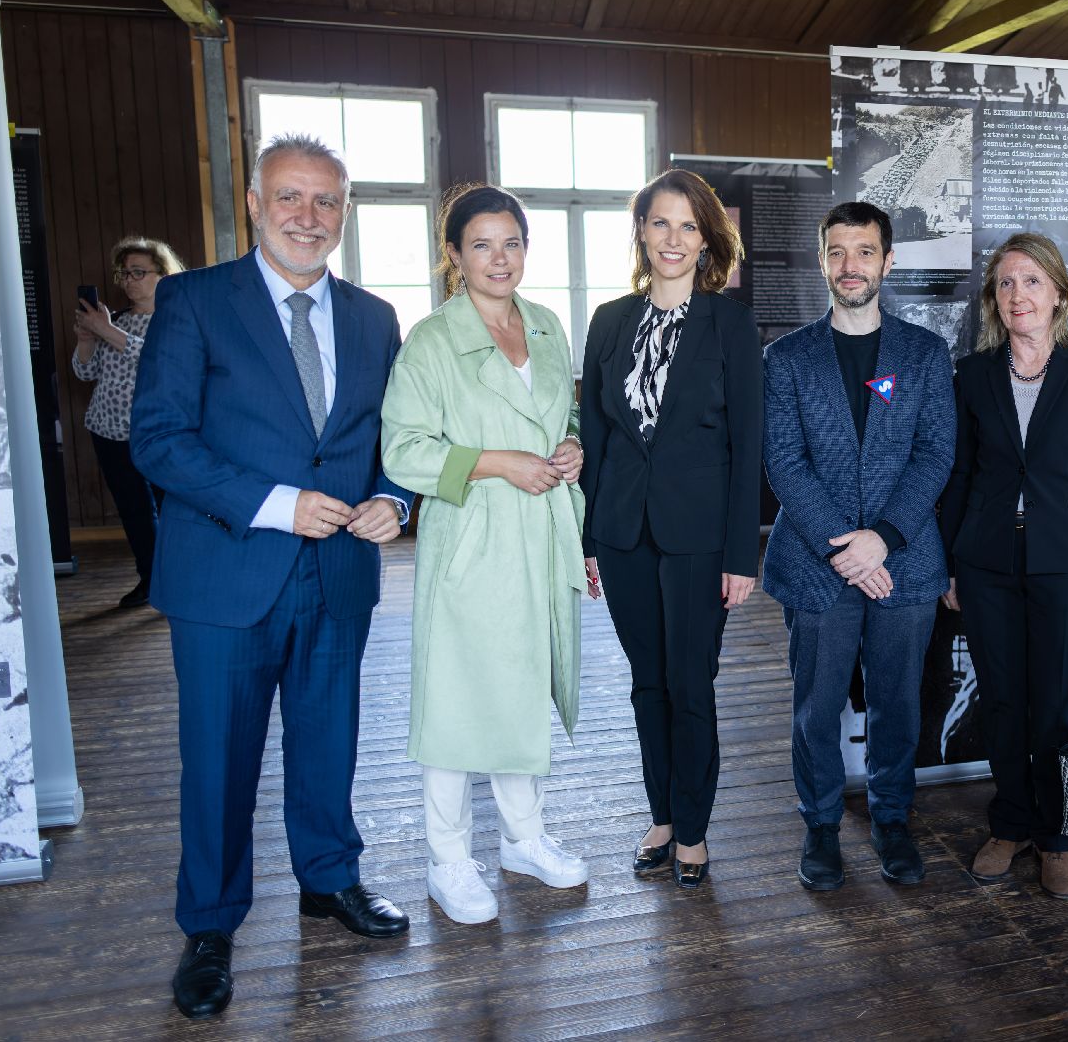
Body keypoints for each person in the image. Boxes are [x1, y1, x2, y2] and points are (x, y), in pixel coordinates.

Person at [131, 134, 413, 1020]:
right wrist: (272, 502)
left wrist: (394, 501)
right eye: (290, 197)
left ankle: (330, 879)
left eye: (326, 201)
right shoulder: (193, 301)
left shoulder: (373, 317)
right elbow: (160, 440)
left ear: (345, 213)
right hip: (227, 570)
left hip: (338, 570)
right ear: (254, 202)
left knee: (329, 739)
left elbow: (394, 439)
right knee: (218, 758)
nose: (308, 216)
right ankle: (210, 926)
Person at [380, 184, 590, 925]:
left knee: (523, 690)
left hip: (539, 535)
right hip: (471, 540)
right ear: (453, 255)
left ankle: (523, 840)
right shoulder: (432, 341)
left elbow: (564, 413)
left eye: (512, 243)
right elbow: (403, 450)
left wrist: (571, 447)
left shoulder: (545, 325)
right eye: (482, 245)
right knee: (458, 698)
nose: (500, 259)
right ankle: (447, 859)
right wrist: (499, 462)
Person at [762, 201, 955, 891]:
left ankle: (892, 817)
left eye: (864, 252)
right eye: (837, 252)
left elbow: (936, 453)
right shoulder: (785, 359)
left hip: (905, 560)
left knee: (899, 700)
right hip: (816, 567)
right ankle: (818, 825)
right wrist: (846, 549)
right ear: (822, 262)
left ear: (887, 261)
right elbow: (783, 461)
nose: (851, 266)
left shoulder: (924, 354)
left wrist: (883, 540)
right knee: (816, 704)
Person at [578, 169, 762, 889]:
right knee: (646, 683)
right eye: (661, 223)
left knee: (691, 682)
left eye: (688, 226)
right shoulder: (609, 321)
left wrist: (741, 553)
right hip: (624, 530)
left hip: (699, 536)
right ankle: (661, 813)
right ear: (642, 232)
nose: (673, 239)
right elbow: (596, 432)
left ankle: (693, 826)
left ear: (706, 238)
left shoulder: (730, 322)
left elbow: (747, 442)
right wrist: (590, 538)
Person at [939, 232, 1068, 900]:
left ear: (1058, 294)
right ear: (995, 298)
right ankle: (1010, 821)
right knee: (1004, 698)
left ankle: (1055, 835)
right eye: (1006, 284)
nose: (1019, 295)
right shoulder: (973, 375)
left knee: (1054, 703)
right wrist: (950, 565)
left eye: (1032, 282)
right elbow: (959, 476)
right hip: (986, 560)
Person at [71, 235, 185, 608]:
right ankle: (150, 580)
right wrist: (88, 339)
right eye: (124, 273)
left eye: (139, 272)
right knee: (134, 511)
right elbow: (84, 373)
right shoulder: (116, 319)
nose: (130, 280)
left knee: (172, 510)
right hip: (108, 431)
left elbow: (159, 359)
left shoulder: (176, 320)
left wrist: (106, 332)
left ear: (163, 275)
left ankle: (178, 583)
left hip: (159, 433)